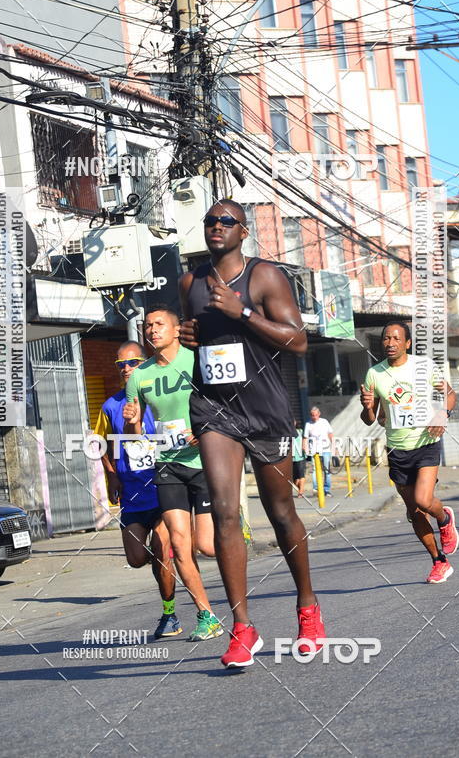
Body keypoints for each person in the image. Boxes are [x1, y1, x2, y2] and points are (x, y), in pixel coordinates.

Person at [179, 199, 324, 669]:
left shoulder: (265, 277)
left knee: (281, 513)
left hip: (265, 411)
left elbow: (298, 341)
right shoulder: (192, 282)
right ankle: (243, 628)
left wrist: (242, 313)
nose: (216, 227)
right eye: (209, 221)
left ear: (243, 232)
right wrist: (190, 336)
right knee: (224, 510)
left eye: (226, 222)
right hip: (214, 408)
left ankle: (307, 608)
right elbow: (201, 336)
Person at [123, 305, 223, 642]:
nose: (152, 330)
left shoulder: (195, 361)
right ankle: (205, 614)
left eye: (159, 324)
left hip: (203, 461)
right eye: (148, 325)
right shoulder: (139, 376)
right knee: (180, 547)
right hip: (166, 465)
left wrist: (205, 428)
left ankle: (234, 524)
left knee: (208, 546)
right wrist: (132, 421)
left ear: (177, 329)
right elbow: (134, 434)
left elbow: (225, 404)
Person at [94, 341, 181, 639]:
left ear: (144, 364)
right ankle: (162, 563)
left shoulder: (160, 398)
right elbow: (100, 443)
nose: (127, 369)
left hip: (162, 487)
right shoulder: (110, 405)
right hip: (131, 493)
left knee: (162, 549)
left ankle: (169, 614)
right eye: (121, 365)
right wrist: (112, 475)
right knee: (135, 558)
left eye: (133, 363)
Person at [360, 321, 459, 583]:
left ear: (407, 343)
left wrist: (443, 413)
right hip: (397, 448)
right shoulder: (374, 374)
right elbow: (372, 419)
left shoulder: (423, 366)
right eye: (385, 339)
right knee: (414, 511)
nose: (390, 343)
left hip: (426, 441)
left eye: (395, 338)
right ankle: (439, 561)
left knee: (425, 501)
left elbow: (450, 394)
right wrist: (367, 406)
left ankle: (444, 517)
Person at [303, 406, 334, 497]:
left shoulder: (324, 422)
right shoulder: (308, 424)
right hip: (314, 450)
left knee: (327, 470)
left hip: (325, 449)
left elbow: (330, 434)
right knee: (315, 469)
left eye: (316, 415)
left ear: (319, 414)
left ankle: (326, 489)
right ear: (310, 415)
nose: (314, 417)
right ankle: (316, 488)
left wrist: (334, 447)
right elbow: (305, 437)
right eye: (312, 415)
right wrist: (305, 448)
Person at [292, 427, 306, 497]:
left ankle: (301, 491)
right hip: (291, 458)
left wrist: (305, 447)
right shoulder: (286, 432)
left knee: (301, 475)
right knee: (294, 479)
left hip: (300, 457)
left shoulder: (300, 431)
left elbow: (305, 439)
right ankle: (301, 489)